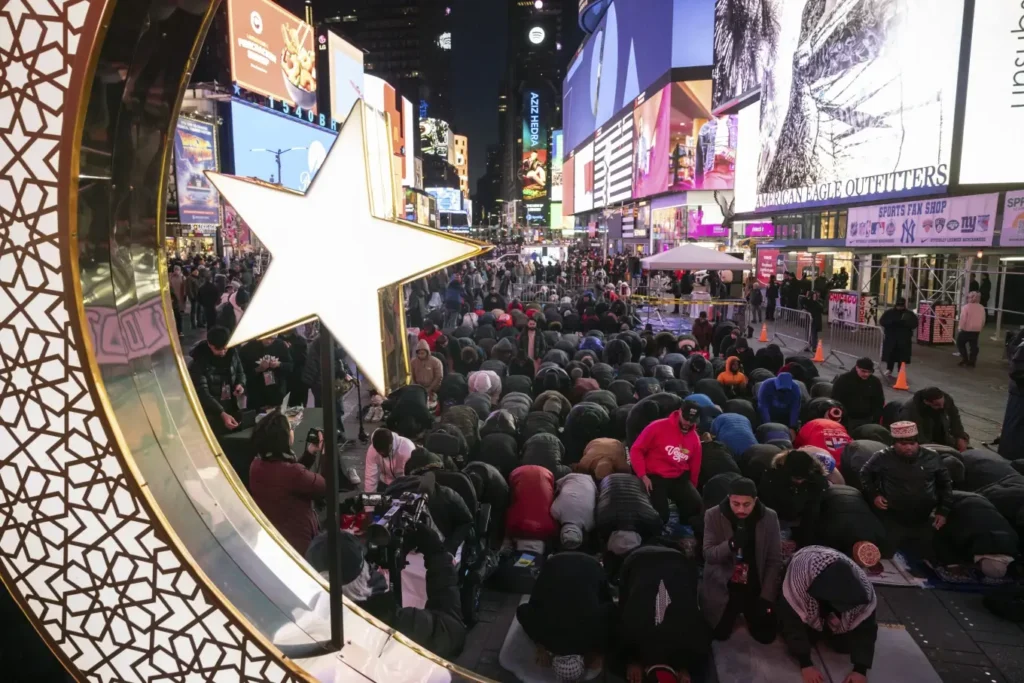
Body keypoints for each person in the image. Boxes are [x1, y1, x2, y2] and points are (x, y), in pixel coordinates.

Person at [306, 522, 466, 659]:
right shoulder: (390, 623)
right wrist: (436, 554)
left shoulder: (304, 625)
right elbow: (453, 632)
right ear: (364, 574)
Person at [778, 546, 878, 683]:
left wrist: (860, 670)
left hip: (826, 592)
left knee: (844, 646)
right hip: (804, 563)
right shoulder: (800, 580)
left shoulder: (865, 593)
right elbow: (792, 622)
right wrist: (805, 664)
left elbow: (867, 630)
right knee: (802, 639)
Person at [702, 477, 783, 644]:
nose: (741, 509)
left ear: (755, 501)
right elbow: (709, 555)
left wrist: (767, 596)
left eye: (746, 505)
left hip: (754, 581)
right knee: (719, 634)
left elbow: (774, 560)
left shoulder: (769, 517)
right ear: (729, 498)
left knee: (766, 636)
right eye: (735, 503)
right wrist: (730, 544)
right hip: (726, 582)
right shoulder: (713, 515)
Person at [859, 421, 953, 558]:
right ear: (894, 444)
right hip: (892, 517)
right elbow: (865, 474)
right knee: (886, 555)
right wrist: (875, 495)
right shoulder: (882, 456)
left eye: (912, 444)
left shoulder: (932, 457)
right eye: (903, 444)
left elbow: (945, 484)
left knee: (924, 557)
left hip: (923, 517)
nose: (908, 447)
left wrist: (943, 511)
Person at [516, 552, 615, 682]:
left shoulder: (594, 639)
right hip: (555, 564)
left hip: (589, 564)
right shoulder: (544, 636)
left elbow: (611, 609)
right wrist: (540, 647)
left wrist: (598, 653)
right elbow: (523, 610)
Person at [620, 545, 710, 683]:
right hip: (638, 559)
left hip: (679, 561)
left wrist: (686, 667)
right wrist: (631, 661)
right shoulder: (629, 642)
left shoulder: (694, 650)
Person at [248, 410, 326, 555]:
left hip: (274, 540)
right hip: (298, 545)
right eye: (290, 428)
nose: (293, 430)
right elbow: (324, 486)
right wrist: (325, 453)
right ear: (282, 438)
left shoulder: (256, 465)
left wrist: (309, 454)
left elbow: (291, 481)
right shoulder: (292, 473)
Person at [629, 401, 704, 525]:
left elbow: (695, 465)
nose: (688, 423)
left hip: (678, 476)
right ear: (679, 412)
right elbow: (636, 449)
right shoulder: (656, 427)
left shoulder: (695, 439)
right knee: (660, 514)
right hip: (654, 476)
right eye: (685, 419)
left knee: (695, 504)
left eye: (692, 421)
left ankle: (684, 532)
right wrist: (642, 475)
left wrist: (692, 487)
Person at [758, 449, 828, 548]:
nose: (799, 482)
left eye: (803, 479)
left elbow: (812, 515)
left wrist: (802, 544)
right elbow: (766, 508)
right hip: (776, 519)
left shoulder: (816, 482)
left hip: (801, 522)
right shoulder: (772, 478)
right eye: (796, 478)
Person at [188, 326, 245, 434]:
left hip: (231, 405)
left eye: (225, 348)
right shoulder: (198, 362)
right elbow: (202, 392)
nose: (223, 352)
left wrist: (240, 384)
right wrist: (221, 413)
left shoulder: (232, 353)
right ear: (210, 344)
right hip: (210, 413)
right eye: (218, 349)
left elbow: (240, 372)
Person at [898, 386, 969, 452]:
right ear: (926, 402)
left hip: (936, 425)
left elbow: (955, 418)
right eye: (937, 405)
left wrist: (960, 436)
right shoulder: (910, 411)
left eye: (943, 404)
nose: (942, 407)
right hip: (922, 431)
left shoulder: (946, 399)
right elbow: (918, 438)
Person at [239, 335, 293, 410]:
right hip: (256, 393)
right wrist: (258, 369)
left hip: (276, 392)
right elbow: (241, 373)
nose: (269, 341)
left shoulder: (280, 345)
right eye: (267, 338)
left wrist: (279, 364)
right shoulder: (248, 349)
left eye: (273, 339)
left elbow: (290, 366)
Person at [830, 358, 884, 430]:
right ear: (857, 368)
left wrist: (875, 419)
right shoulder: (843, 380)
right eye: (863, 371)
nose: (866, 374)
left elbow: (879, 401)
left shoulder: (875, 382)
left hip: (867, 419)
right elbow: (836, 400)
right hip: (848, 419)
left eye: (869, 372)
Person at [364, 428, 415, 492]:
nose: (382, 453)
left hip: (404, 483)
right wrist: (369, 497)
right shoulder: (372, 450)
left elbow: (412, 477)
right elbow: (370, 476)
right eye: (379, 451)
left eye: (384, 450)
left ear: (391, 445)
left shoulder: (407, 449)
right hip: (385, 482)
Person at [879, 298, 917, 379]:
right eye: (898, 305)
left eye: (901, 306)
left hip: (903, 339)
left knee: (902, 356)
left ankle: (901, 371)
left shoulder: (909, 314)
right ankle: (889, 369)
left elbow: (915, 324)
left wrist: (905, 324)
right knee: (890, 354)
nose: (900, 307)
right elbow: (882, 321)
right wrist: (891, 323)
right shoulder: (889, 313)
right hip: (891, 338)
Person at [957, 291, 985, 367]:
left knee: (960, 343)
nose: (967, 299)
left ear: (970, 298)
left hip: (966, 329)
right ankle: (972, 361)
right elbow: (983, 319)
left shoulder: (966, 307)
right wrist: (980, 328)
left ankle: (965, 359)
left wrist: (960, 327)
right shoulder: (981, 307)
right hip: (976, 329)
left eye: (968, 297)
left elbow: (963, 319)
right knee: (973, 346)